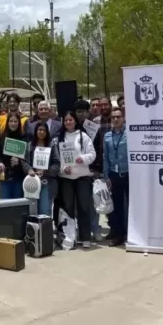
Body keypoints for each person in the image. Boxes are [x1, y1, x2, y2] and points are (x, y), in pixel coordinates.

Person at [56, 110, 96, 248]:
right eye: (66, 120)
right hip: (66, 178)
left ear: (75, 121)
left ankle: (85, 237)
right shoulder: (59, 137)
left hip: (82, 177)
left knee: (83, 207)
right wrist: (62, 169)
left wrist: (82, 158)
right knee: (68, 208)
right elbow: (56, 158)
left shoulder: (83, 136)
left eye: (70, 119)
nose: (68, 122)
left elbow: (92, 154)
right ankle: (70, 238)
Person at [75, 98, 104, 242]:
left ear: (88, 112)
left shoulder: (94, 128)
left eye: (83, 112)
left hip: (91, 171)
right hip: (76, 171)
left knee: (93, 202)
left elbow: (99, 149)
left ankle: (95, 228)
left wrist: (97, 169)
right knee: (78, 203)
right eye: (78, 112)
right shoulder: (71, 127)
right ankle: (80, 230)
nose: (80, 114)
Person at [103, 108, 129, 247]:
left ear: (123, 118)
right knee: (117, 206)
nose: (116, 119)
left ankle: (131, 234)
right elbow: (105, 157)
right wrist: (106, 176)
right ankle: (119, 235)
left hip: (128, 174)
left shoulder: (129, 133)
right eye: (113, 117)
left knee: (130, 206)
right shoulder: (107, 136)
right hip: (114, 174)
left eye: (118, 117)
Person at [22, 122, 60, 216]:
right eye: (40, 130)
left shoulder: (51, 145)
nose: (42, 132)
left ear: (47, 132)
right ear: (36, 131)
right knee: (32, 210)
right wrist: (29, 170)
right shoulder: (30, 145)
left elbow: (57, 163)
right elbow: (24, 161)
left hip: (46, 182)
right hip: (32, 182)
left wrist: (46, 171)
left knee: (44, 210)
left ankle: (45, 226)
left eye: (44, 130)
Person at [0, 113, 25, 199]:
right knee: (5, 203)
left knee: (18, 202)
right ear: (7, 123)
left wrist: (19, 161)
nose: (13, 124)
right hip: (4, 175)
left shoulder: (23, 138)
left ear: (19, 123)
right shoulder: (2, 137)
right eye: (11, 121)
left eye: (15, 121)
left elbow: (27, 157)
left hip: (18, 177)